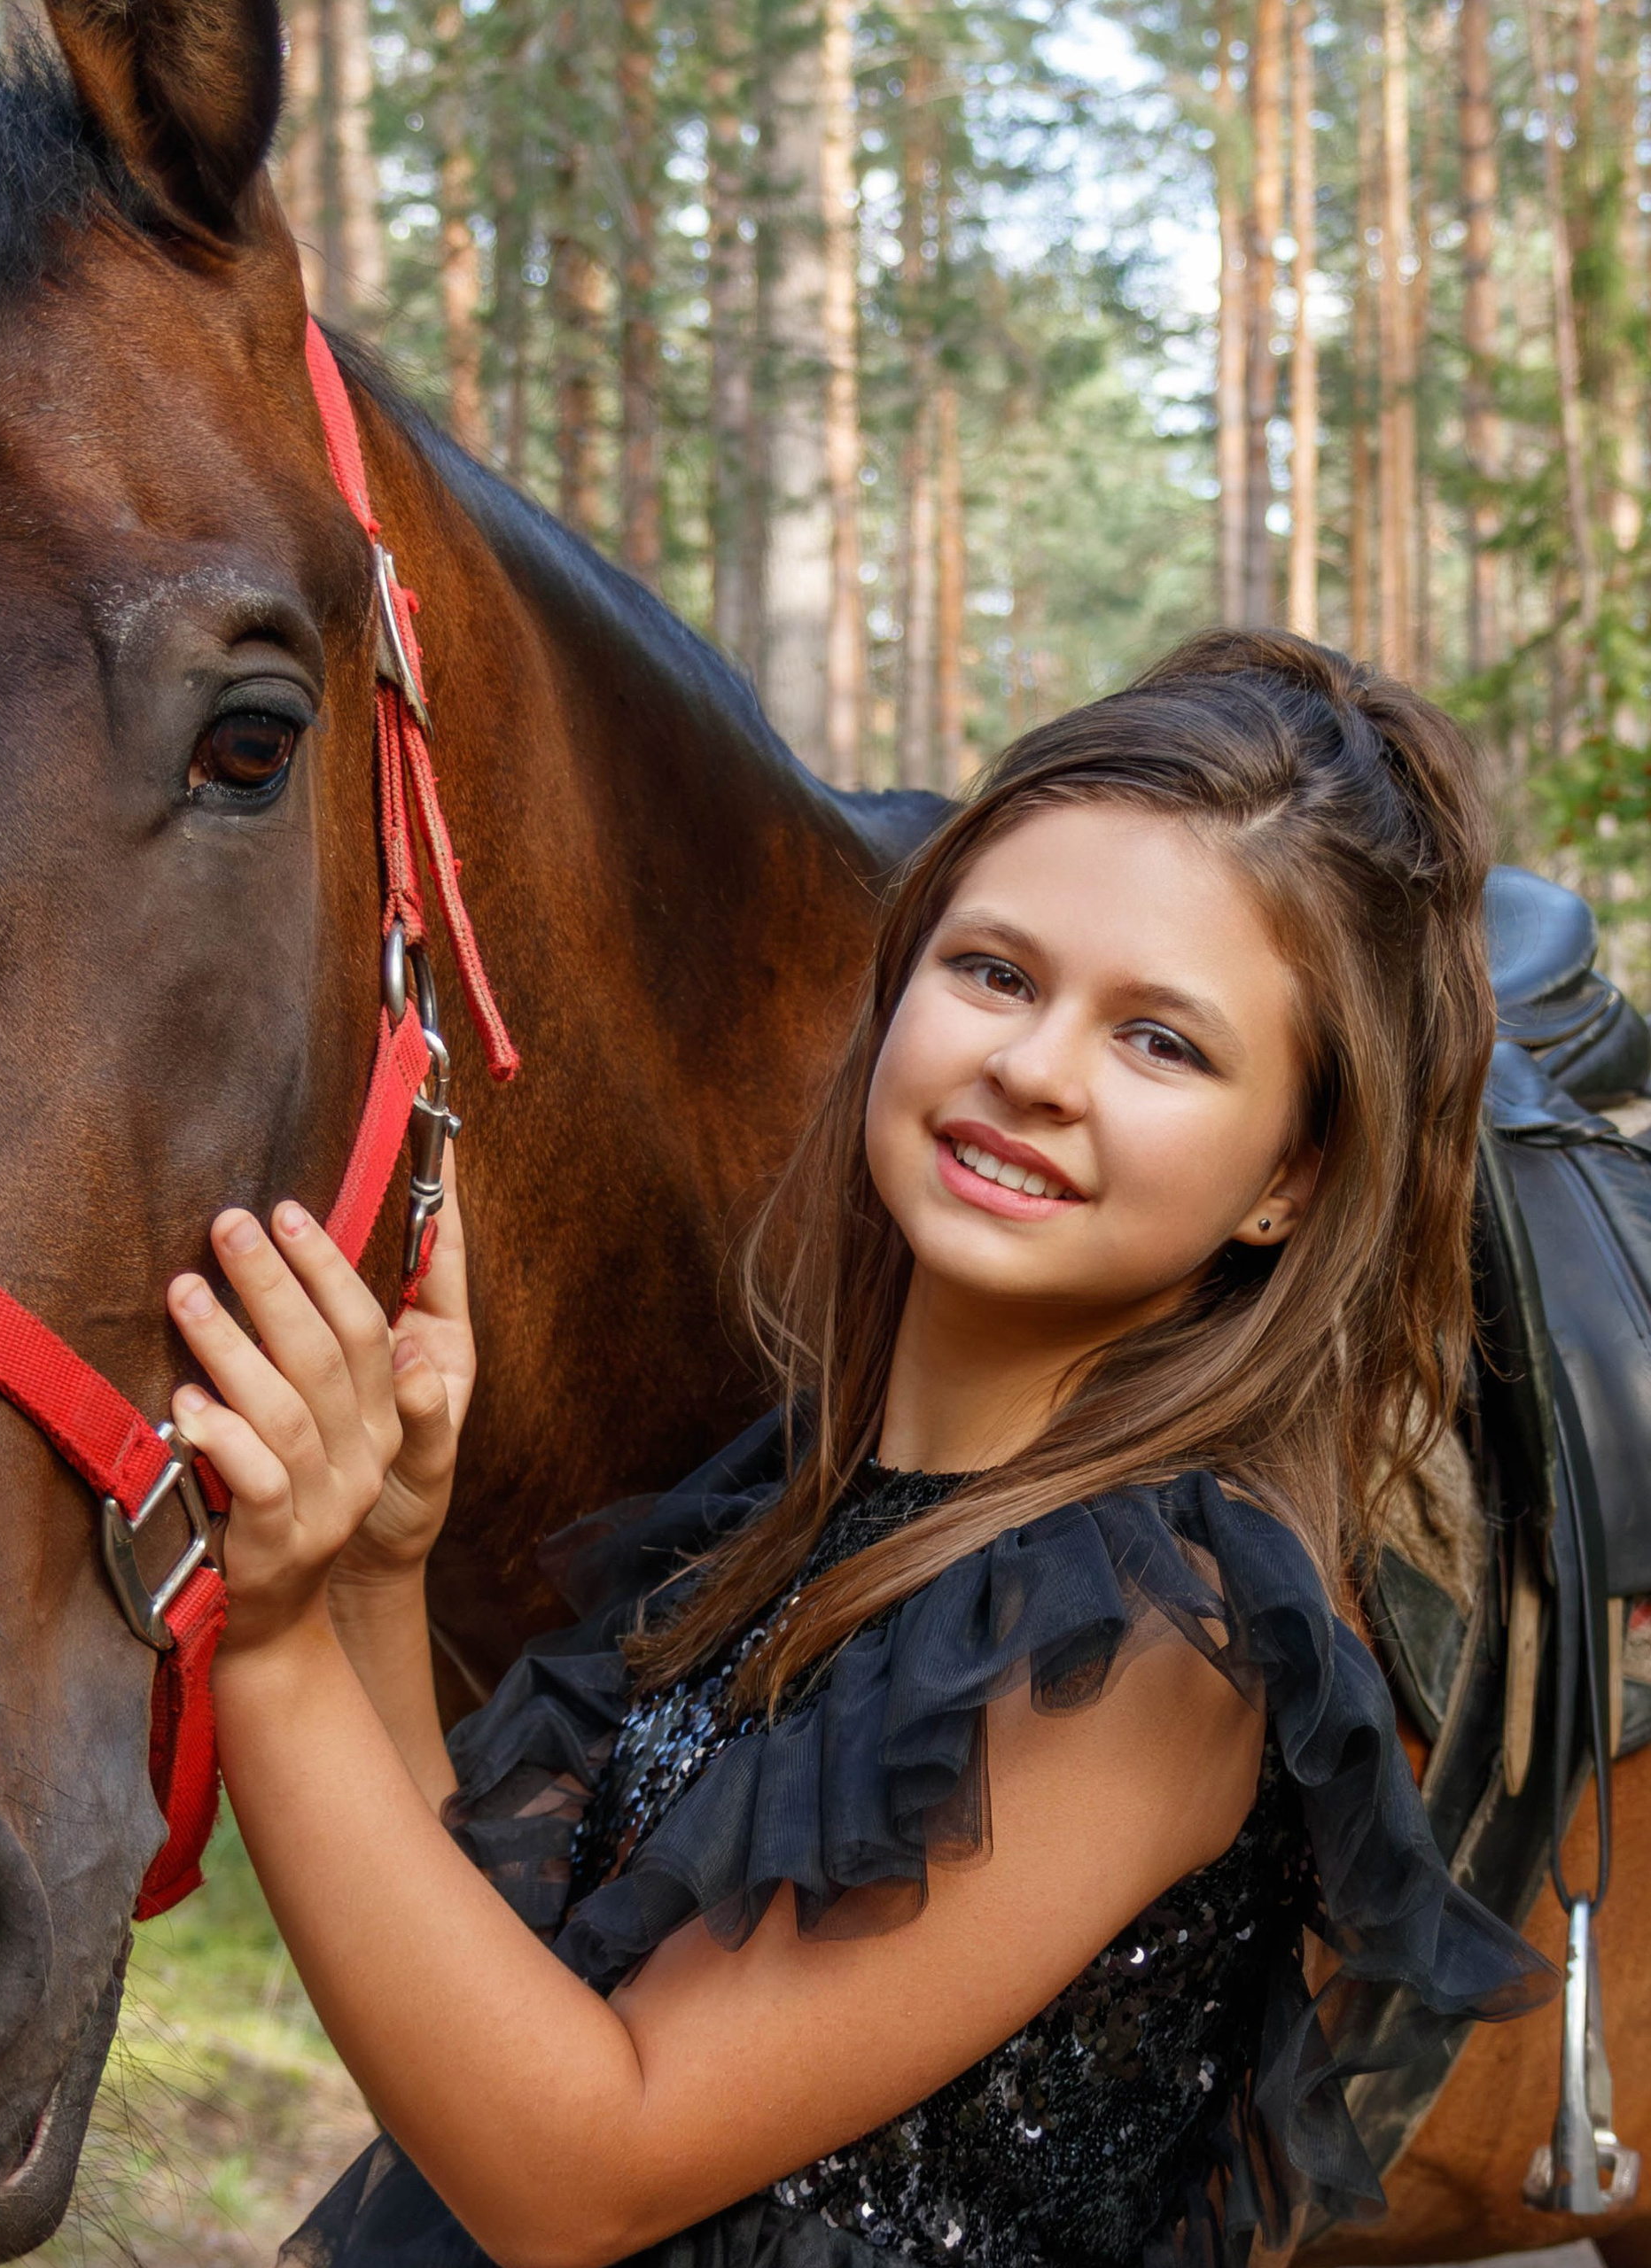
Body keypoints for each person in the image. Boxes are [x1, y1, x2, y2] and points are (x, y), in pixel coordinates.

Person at [160, 629, 1553, 2268]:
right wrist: (373, 1580)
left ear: (1289, 1182)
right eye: (997, 973)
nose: (1032, 1069)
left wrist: (266, 1644)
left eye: (1160, 1041)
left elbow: (579, 2171)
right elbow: (481, 2006)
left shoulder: (1162, 1630)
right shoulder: (788, 1504)